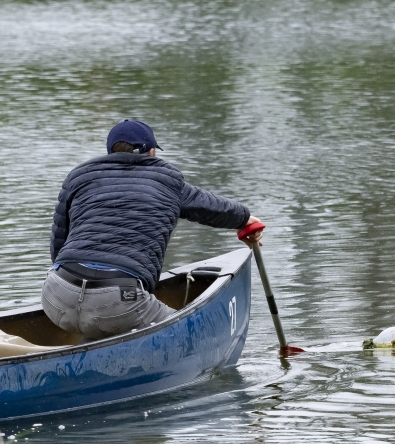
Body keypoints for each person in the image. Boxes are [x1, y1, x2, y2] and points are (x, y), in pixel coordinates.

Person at [42, 120, 262, 340]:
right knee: (196, 333)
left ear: (111, 152)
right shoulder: (166, 179)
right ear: (152, 151)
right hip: (120, 301)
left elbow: (58, 246)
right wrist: (245, 219)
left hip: (56, 295)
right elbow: (209, 207)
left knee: (100, 320)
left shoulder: (78, 176)